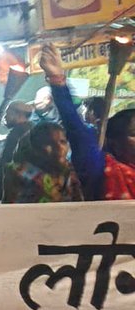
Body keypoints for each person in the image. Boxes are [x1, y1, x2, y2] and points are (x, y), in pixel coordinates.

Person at [41, 43, 135, 200]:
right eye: (134, 134)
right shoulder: (101, 168)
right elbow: (76, 130)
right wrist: (57, 81)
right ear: (113, 142)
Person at [2, 122, 82, 204]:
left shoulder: (72, 172)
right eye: (49, 143)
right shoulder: (19, 173)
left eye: (63, 142)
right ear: (36, 147)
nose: (59, 147)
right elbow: (9, 209)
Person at [0, 100, 32, 202]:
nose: (5, 117)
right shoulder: (32, 130)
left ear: (18, 114)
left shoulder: (17, 134)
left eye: (8, 113)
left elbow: (7, 164)